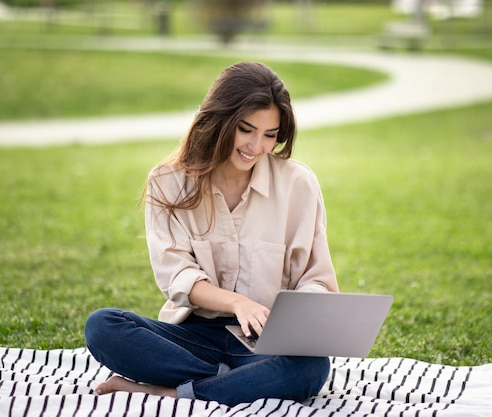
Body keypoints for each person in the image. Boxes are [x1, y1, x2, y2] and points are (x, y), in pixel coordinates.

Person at [84, 61, 339, 406]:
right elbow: (178, 277)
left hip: (264, 342)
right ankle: (237, 384)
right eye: (246, 130)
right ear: (220, 120)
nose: (256, 146)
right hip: (191, 336)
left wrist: (302, 313)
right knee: (103, 327)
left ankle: (172, 391)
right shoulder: (168, 181)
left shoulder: (298, 184)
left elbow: (315, 277)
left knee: (311, 369)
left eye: (270, 135)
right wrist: (239, 303)